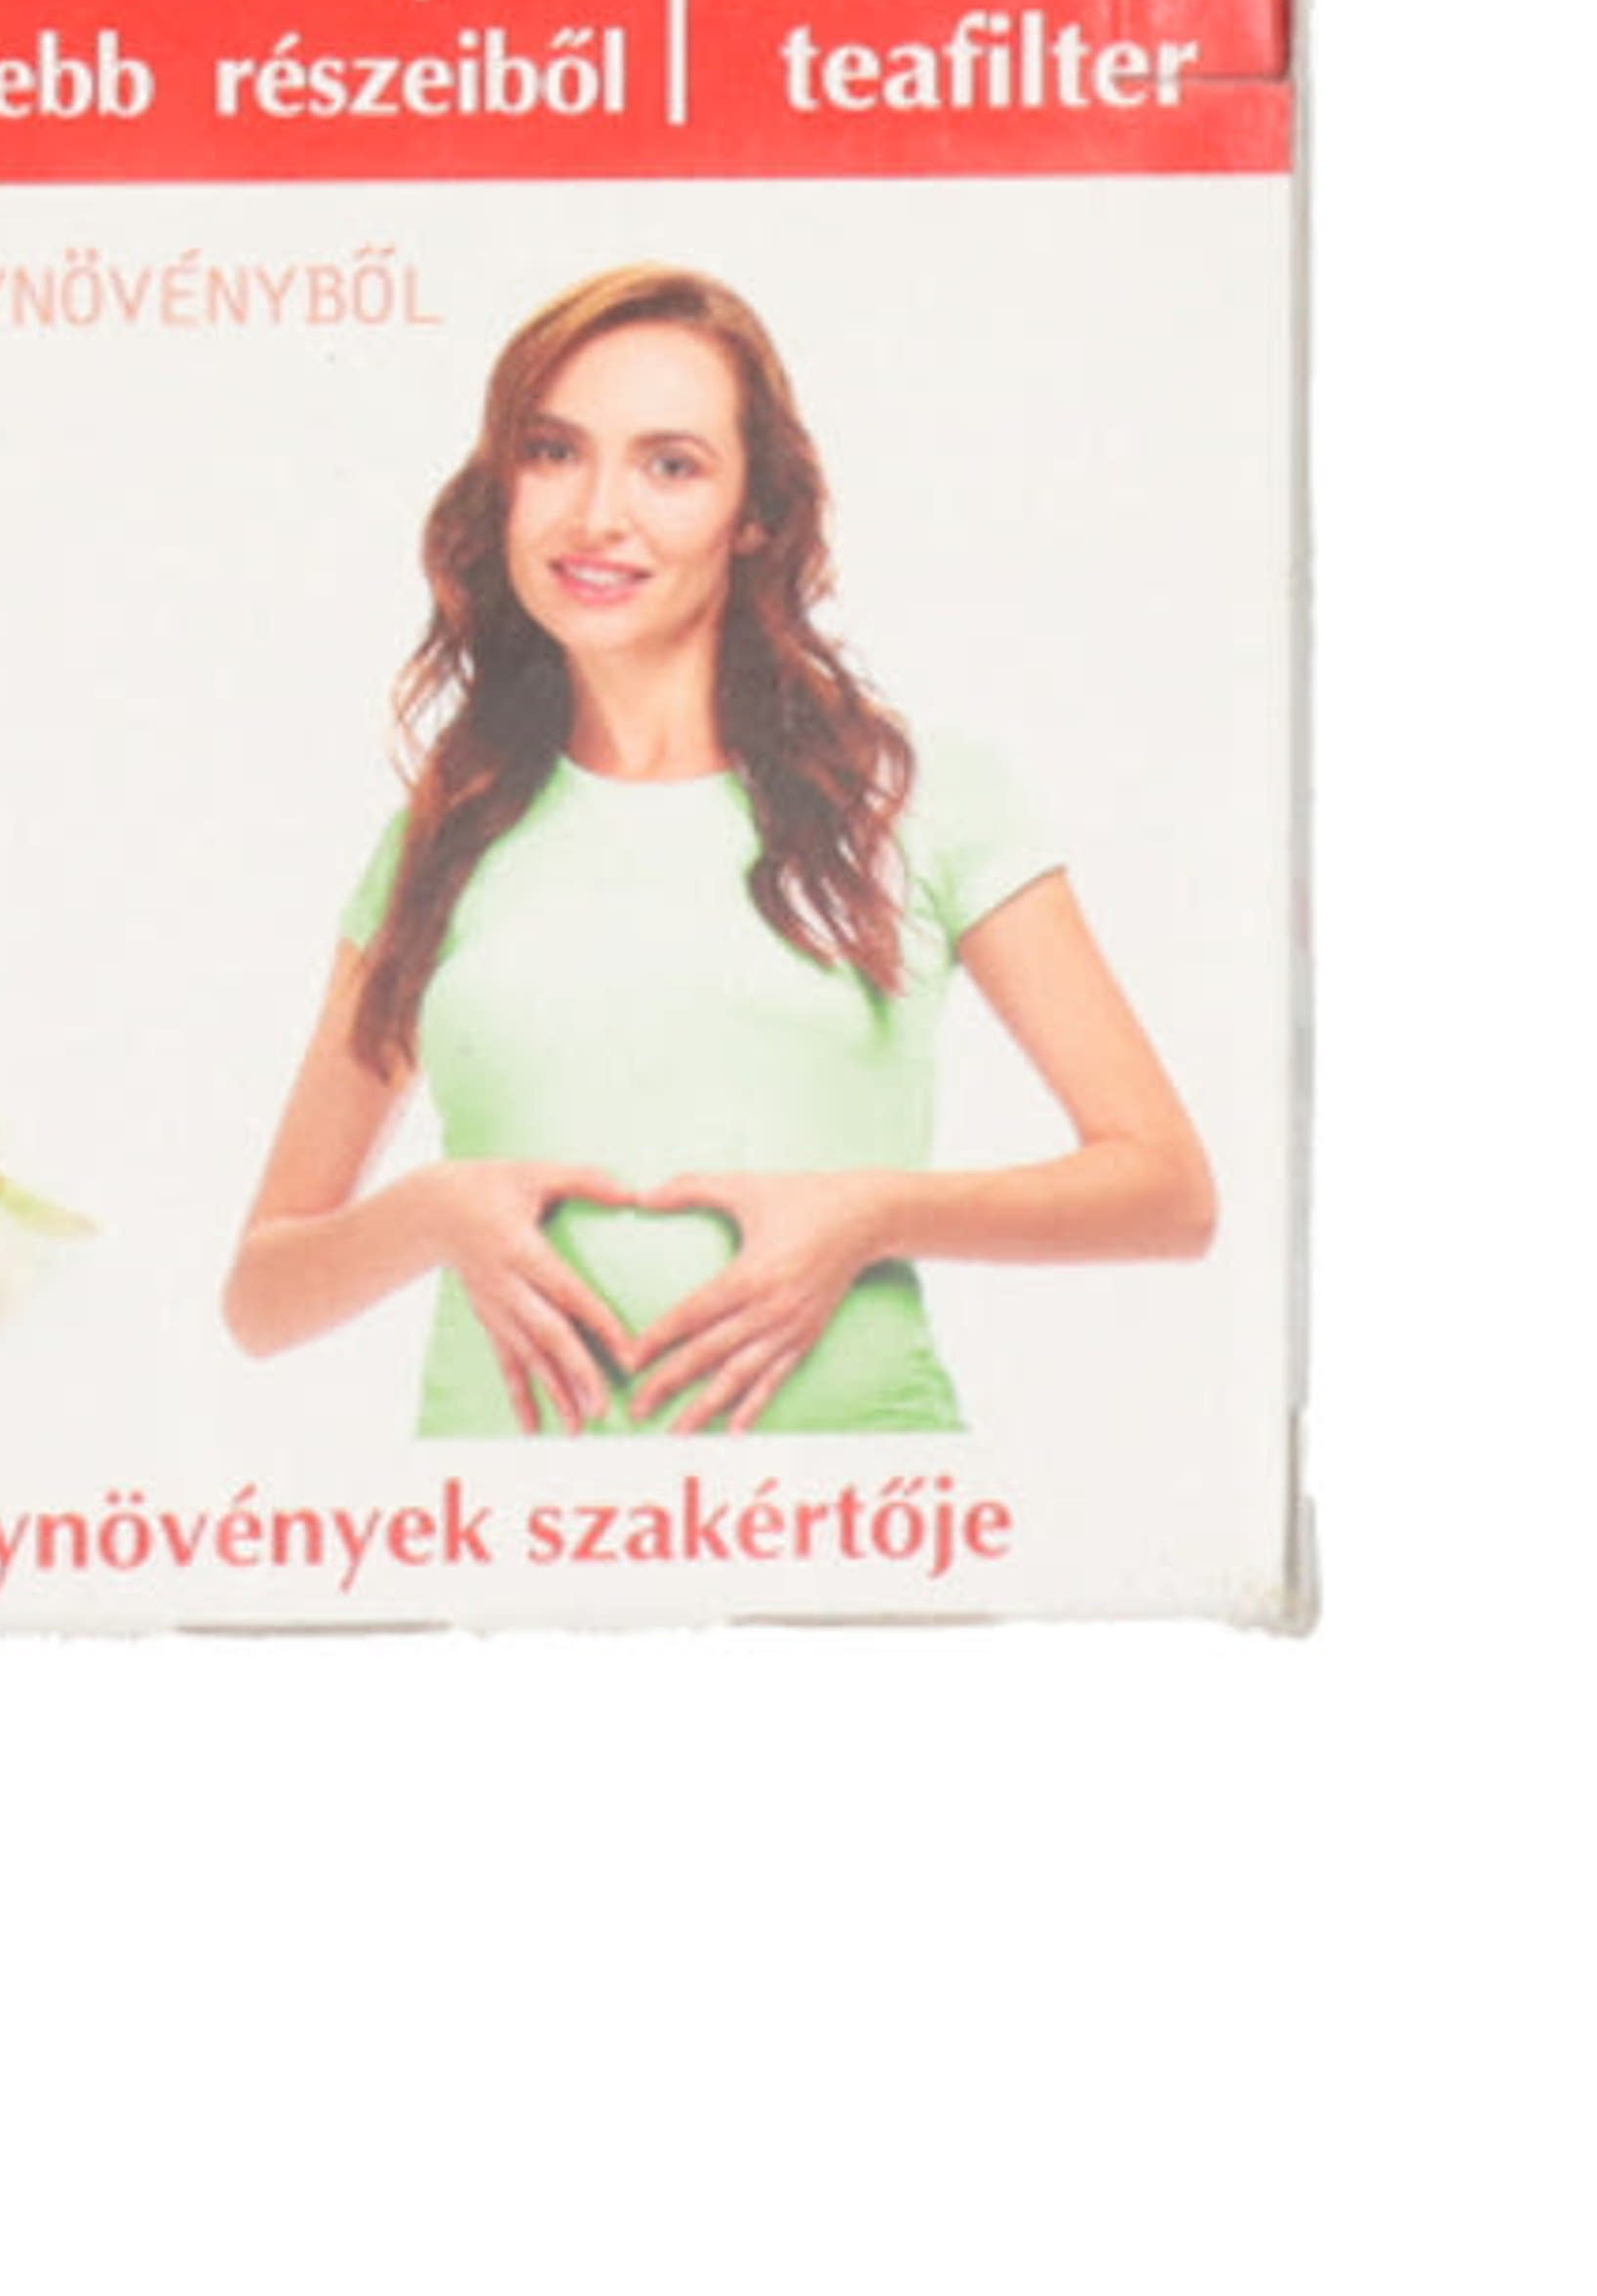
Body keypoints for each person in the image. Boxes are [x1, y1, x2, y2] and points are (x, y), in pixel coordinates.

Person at [224, 264, 1214, 1435]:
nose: (598, 515)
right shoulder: (445, 833)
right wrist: (432, 1213)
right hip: (504, 1520)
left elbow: (1167, 1189)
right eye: (553, 451)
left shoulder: (922, 797)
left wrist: (869, 1214)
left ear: (755, 515)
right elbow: (263, 1297)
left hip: (852, 1515)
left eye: (671, 466)